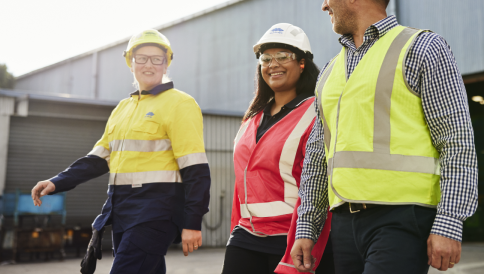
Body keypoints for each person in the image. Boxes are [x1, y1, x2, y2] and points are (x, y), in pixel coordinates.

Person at [290, 0, 478, 273]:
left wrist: (449, 220)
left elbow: (456, 141)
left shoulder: (423, 48)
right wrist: (307, 226)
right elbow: (318, 155)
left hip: (403, 217)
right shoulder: (330, 72)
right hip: (344, 222)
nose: (324, 5)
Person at [31, 29, 211, 274]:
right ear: (131, 63)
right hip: (122, 211)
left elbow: (196, 169)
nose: (149, 65)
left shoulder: (181, 104)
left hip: (157, 212)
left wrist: (192, 222)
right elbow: (98, 158)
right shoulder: (122, 109)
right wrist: (57, 181)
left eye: (156, 59)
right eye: (142, 58)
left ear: (166, 63)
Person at [221, 23, 334, 274]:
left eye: (283, 56)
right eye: (266, 58)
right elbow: (243, 184)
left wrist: (310, 236)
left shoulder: (317, 111)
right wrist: (234, 230)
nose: (273, 64)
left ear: (302, 62)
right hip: (246, 234)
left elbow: (319, 182)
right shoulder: (252, 118)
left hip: (294, 234)